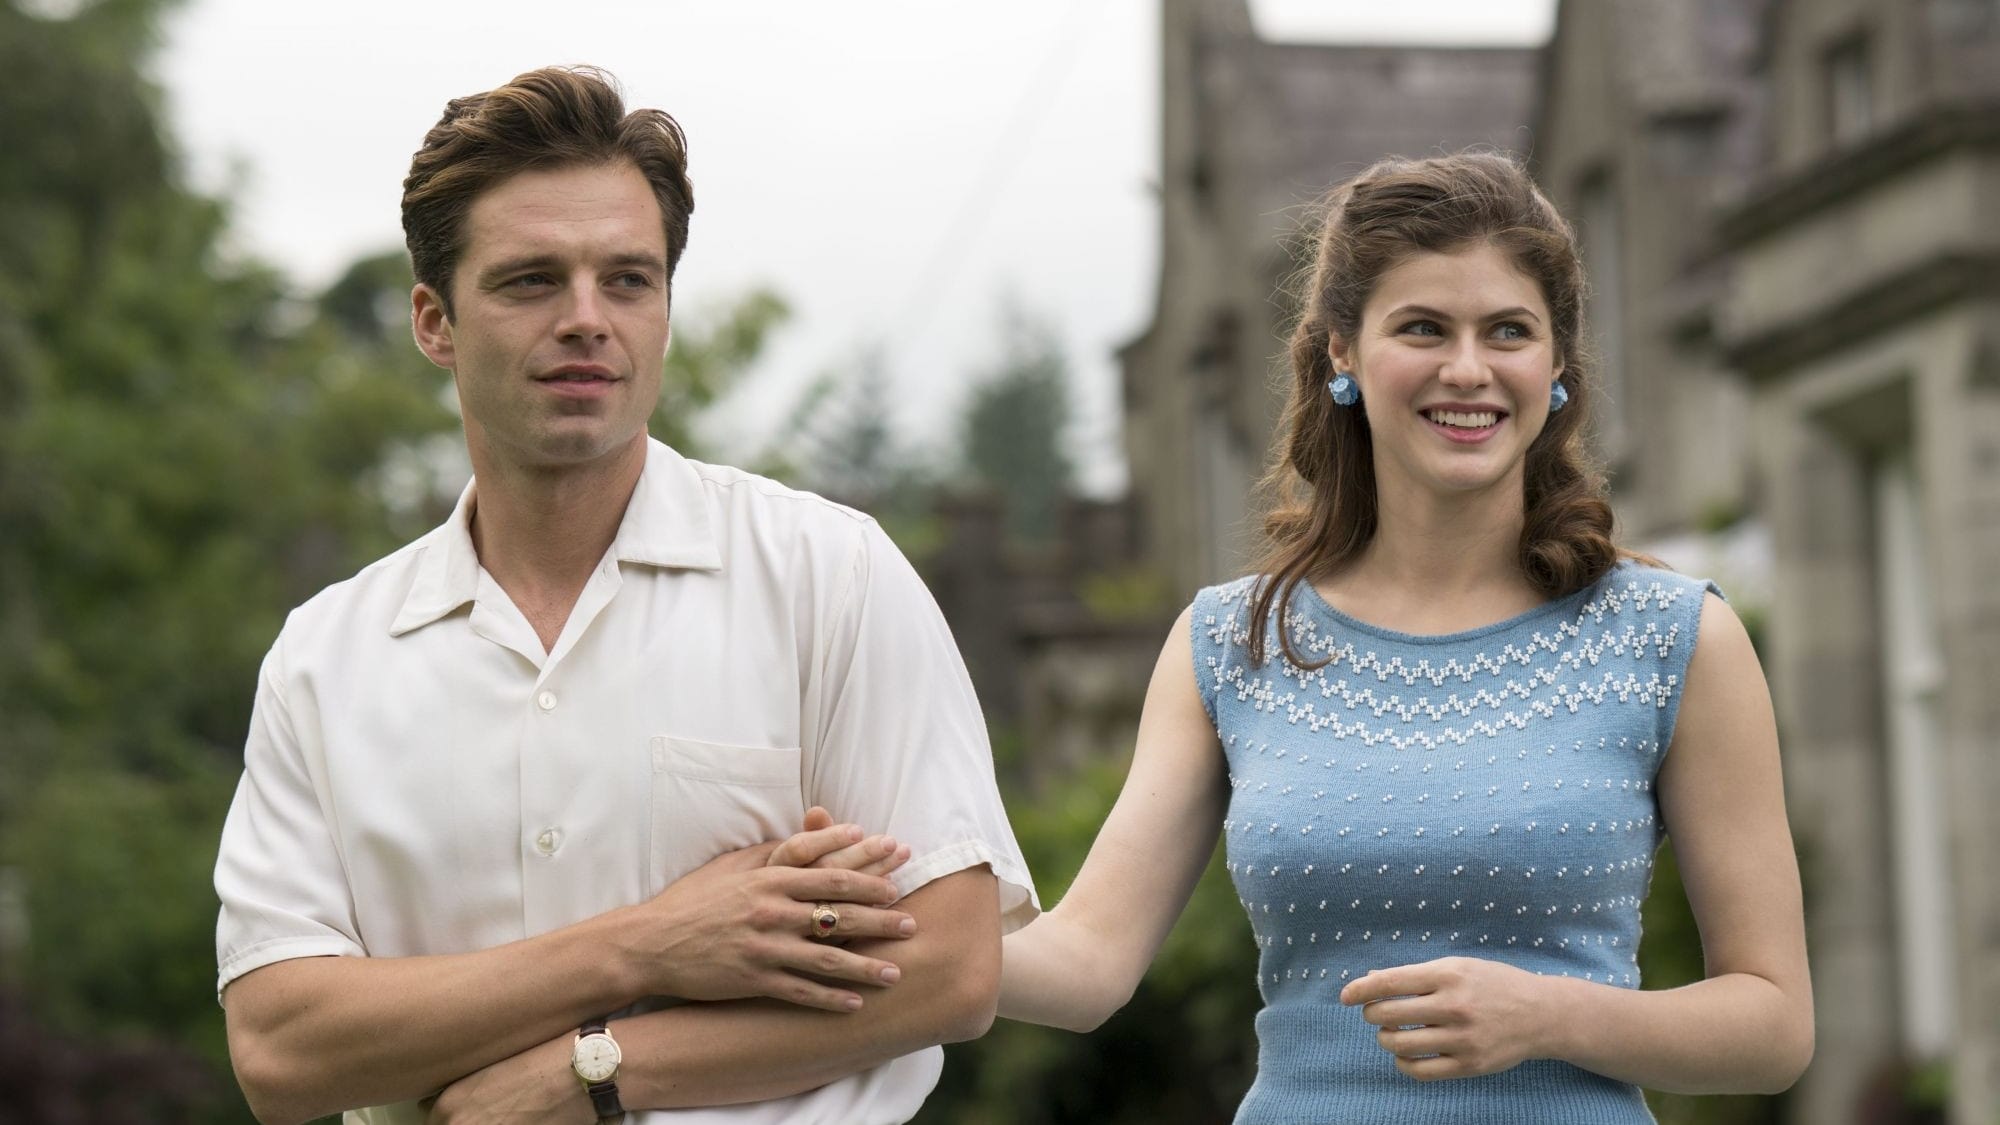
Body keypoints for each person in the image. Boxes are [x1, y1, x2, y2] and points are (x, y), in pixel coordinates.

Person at [212, 65, 1035, 1125]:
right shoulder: (327, 659)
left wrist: (589, 1071)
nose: (586, 319)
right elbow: (281, 1050)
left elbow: (950, 970)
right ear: (433, 322)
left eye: (629, 280)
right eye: (529, 280)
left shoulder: (830, 574)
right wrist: (648, 943)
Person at [985, 152, 1814, 1120]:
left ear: (1554, 367)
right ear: (1340, 350)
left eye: (1506, 331)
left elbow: (1770, 1026)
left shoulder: (1671, 637)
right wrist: (867, 933)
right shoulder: (1228, 641)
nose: (1466, 369)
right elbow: (1084, 964)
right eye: (1421, 328)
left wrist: (1547, 1015)